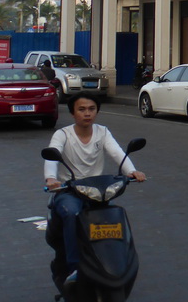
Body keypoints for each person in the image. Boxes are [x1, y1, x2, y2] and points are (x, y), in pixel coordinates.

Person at [43, 94, 146, 290]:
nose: (87, 113)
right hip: (69, 191)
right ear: (73, 112)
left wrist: (131, 171)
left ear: (97, 111)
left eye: (91, 109)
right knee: (72, 213)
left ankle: (117, 261)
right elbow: (52, 155)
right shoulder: (63, 135)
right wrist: (51, 178)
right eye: (82, 109)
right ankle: (74, 268)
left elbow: (117, 152)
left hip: (97, 191)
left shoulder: (102, 132)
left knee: (114, 215)